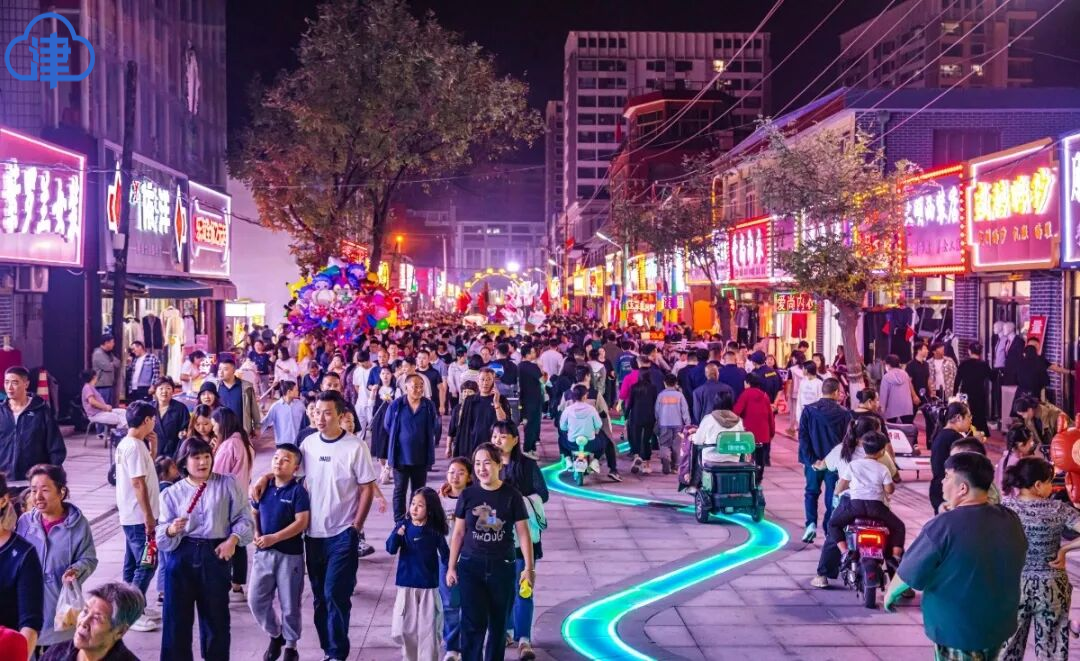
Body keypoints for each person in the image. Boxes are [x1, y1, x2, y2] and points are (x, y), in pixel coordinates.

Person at [254, 390, 377, 661]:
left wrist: (356, 527)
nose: (320, 418)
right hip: (313, 535)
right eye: (317, 412)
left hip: (343, 533)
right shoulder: (308, 444)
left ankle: (337, 653)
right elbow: (289, 472)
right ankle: (327, 649)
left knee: (335, 594)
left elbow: (367, 488)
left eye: (327, 413)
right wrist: (265, 477)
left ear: (341, 415)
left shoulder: (355, 447)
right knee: (320, 597)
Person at [885, 452, 1027, 660]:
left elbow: (908, 573)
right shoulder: (1010, 518)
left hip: (958, 628)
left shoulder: (943, 526)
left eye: (947, 476)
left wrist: (890, 596)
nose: (942, 482)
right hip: (998, 625)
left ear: (963, 488)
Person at [157, 437, 255, 660]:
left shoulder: (227, 484)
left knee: (216, 619)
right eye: (196, 457)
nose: (203, 462)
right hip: (182, 555)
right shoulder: (171, 493)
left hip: (215, 553)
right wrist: (171, 530)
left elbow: (244, 519)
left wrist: (233, 540)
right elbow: (161, 538)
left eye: (206, 456)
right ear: (184, 461)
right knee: (176, 621)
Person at [445, 443, 534, 661]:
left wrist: (529, 568)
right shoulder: (468, 495)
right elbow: (458, 533)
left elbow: (523, 533)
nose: (481, 469)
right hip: (470, 566)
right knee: (472, 624)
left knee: (498, 624)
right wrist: (451, 566)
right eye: (477, 464)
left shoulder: (512, 495)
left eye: (487, 463)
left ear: (498, 464)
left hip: (502, 566)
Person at [998, 457, 1080, 661]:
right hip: (1052, 587)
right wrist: (1065, 549)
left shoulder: (1004, 508)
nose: (1051, 487)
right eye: (1049, 482)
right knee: (1052, 648)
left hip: (1012, 585)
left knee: (1007, 647)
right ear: (1037, 485)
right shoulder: (1058, 509)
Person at [16, 464, 98, 650]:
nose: (38, 496)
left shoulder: (78, 525)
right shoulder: (25, 522)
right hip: (27, 609)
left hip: (59, 609)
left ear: (61, 492)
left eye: (45, 490)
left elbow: (89, 558)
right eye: (33, 490)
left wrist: (76, 570)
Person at [811, 432, 905, 588]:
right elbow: (890, 490)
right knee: (898, 527)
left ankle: (844, 552)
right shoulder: (882, 468)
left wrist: (837, 493)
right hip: (877, 508)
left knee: (833, 524)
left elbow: (841, 486)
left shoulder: (852, 464)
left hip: (854, 507)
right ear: (882, 451)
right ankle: (895, 558)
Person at [491, 422, 547, 660]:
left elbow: (543, 494)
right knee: (500, 591)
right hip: (495, 539)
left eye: (503, 436)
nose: (498, 440)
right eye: (495, 436)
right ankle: (506, 630)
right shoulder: (487, 464)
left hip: (522, 541)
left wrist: (517, 501)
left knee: (523, 589)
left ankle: (524, 639)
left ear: (515, 439)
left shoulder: (527, 465)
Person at [248, 444, 309, 661]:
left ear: (296, 468)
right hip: (263, 554)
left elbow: (302, 522)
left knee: (290, 604)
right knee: (255, 599)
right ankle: (276, 634)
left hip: (289, 556)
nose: (278, 462)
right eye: (276, 458)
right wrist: (257, 532)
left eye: (285, 460)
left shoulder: (298, 492)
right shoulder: (263, 487)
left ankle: (291, 646)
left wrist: (275, 537)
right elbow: (254, 512)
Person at [112, 401, 162, 633]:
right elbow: (138, 483)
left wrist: (153, 449)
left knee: (133, 563)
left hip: (131, 515)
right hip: (138, 516)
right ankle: (130, 613)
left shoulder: (129, 444)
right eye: (153, 419)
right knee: (148, 562)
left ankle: (131, 606)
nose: (154, 423)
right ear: (146, 420)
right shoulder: (133, 446)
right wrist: (149, 516)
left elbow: (143, 472)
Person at [387, 487, 450, 661]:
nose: (414, 508)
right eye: (413, 503)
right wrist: (397, 535)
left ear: (429, 509)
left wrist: (451, 571)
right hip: (406, 585)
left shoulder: (434, 531)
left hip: (428, 587)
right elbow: (391, 549)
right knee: (405, 630)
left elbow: (445, 555)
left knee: (428, 630)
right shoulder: (404, 526)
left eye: (420, 505)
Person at [797, 378, 852, 543]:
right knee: (832, 494)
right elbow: (847, 440)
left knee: (811, 492)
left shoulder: (809, 411)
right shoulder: (844, 413)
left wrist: (811, 460)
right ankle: (828, 528)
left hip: (813, 462)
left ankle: (810, 524)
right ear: (835, 393)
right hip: (834, 463)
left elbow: (803, 438)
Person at [211, 406, 256, 603]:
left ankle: (224, 585)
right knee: (238, 540)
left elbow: (216, 475)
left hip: (225, 501)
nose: (213, 428)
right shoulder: (244, 442)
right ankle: (237, 586)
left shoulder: (229, 445)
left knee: (226, 542)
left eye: (214, 424)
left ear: (223, 424)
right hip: (240, 497)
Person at [39, 581, 145, 661]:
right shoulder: (55, 653)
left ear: (120, 631)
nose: (84, 622)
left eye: (97, 618)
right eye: (85, 611)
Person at [0, 367, 65, 493]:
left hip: (33, 482)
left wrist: (50, 475)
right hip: (4, 481)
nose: (9, 387)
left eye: (15, 382)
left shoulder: (41, 411)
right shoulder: (1, 412)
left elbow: (55, 447)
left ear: (26, 384)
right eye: (6, 382)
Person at [385, 375, 440, 522]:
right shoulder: (397, 405)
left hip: (421, 456)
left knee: (418, 491)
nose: (419, 389)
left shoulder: (428, 405)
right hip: (400, 456)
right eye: (415, 386)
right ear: (406, 387)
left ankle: (413, 519)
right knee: (400, 490)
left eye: (421, 386)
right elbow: (388, 425)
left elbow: (435, 425)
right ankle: (399, 521)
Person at [438, 458, 471, 660]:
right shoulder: (439, 499)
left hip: (469, 557)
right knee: (449, 603)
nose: (455, 476)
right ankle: (452, 647)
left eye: (460, 472)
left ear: (469, 477)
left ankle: (469, 644)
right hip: (445, 557)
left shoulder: (474, 498)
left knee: (470, 603)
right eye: (451, 472)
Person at [453, 369, 511, 461]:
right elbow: (463, 427)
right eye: (482, 379)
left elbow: (504, 422)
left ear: (493, 381)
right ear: (478, 381)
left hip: (492, 444)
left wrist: (496, 403)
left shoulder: (501, 400)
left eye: (488, 379)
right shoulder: (470, 400)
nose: (485, 383)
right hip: (472, 445)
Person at [929, 402, 975, 514]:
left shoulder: (941, 434)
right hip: (950, 490)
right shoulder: (955, 438)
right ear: (958, 417)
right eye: (969, 416)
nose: (970, 420)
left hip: (938, 488)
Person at [734, 373, 775, 479]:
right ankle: (759, 476)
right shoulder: (764, 395)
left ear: (748, 383)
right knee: (760, 456)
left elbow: (736, 411)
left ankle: (749, 476)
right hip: (763, 432)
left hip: (749, 432)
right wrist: (771, 432)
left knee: (747, 456)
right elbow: (770, 416)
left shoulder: (745, 394)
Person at [654, 374, 691, 475]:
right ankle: (675, 467)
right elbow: (685, 410)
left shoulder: (661, 395)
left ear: (664, 383)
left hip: (664, 424)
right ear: (675, 383)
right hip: (678, 424)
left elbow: (657, 411)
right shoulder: (680, 396)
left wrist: (657, 420)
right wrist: (687, 424)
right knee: (677, 446)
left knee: (664, 444)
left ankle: (665, 458)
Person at [370, 366, 401, 481]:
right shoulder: (376, 389)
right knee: (379, 443)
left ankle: (388, 467)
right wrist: (372, 393)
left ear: (391, 375)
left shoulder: (396, 390)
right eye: (383, 373)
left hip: (391, 419)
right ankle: (383, 468)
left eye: (387, 373)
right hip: (378, 419)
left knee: (389, 442)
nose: (385, 376)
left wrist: (391, 401)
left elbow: (398, 406)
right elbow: (371, 404)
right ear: (380, 376)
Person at [216, 357, 261, 437]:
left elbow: (253, 407)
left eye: (225, 369)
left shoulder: (246, 387)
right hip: (222, 430)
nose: (221, 372)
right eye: (219, 369)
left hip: (241, 430)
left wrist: (257, 426)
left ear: (233, 370)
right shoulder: (216, 387)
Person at [517, 344, 544, 458]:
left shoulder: (519, 366)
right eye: (532, 352)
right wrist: (541, 369)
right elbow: (543, 380)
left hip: (524, 399)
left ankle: (531, 448)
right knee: (532, 425)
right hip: (534, 399)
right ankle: (528, 449)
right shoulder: (533, 366)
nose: (534, 354)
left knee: (528, 424)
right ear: (527, 354)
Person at [151, 378, 190, 459]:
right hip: (152, 451)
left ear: (173, 391)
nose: (164, 391)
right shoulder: (149, 407)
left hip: (173, 452)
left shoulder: (181, 408)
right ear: (155, 390)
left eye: (168, 388)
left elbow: (186, 427)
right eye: (161, 388)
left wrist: (183, 433)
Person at [264, 381, 305, 447]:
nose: (298, 391)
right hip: (283, 443)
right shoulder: (276, 407)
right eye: (296, 390)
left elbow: (306, 420)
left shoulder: (300, 404)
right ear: (289, 392)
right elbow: (266, 422)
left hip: (299, 442)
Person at [879, 354, 915, 424]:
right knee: (908, 427)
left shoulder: (886, 377)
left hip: (892, 409)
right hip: (906, 408)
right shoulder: (905, 374)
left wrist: (882, 411)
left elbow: (883, 395)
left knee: (892, 428)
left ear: (888, 365)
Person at [91, 335, 121, 405]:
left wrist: (112, 363)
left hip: (109, 384)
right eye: (112, 342)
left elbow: (118, 363)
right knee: (103, 406)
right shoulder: (98, 353)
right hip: (101, 386)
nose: (114, 344)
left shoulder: (109, 353)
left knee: (108, 406)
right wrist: (111, 364)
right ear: (106, 343)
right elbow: (108, 367)